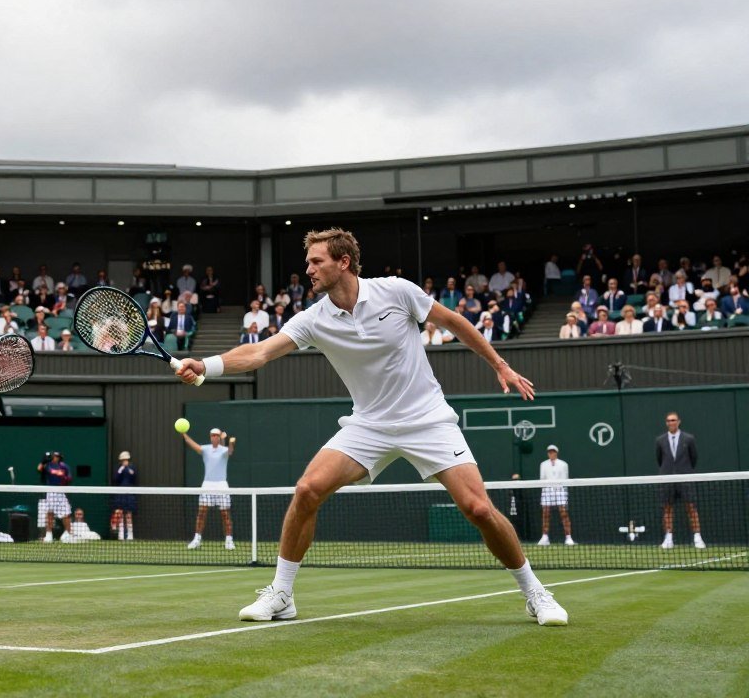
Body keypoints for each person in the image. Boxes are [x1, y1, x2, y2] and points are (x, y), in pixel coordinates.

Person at [174, 227, 567, 626]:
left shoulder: (396, 291)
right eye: (307, 262)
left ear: (342, 262)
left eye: (316, 261)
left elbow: (454, 322)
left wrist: (499, 365)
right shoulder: (314, 319)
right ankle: (281, 594)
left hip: (427, 419)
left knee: (479, 508)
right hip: (368, 425)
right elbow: (259, 352)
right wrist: (207, 365)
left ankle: (535, 592)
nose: (307, 270)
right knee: (308, 490)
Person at [657, 412, 705, 550]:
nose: (671, 422)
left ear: (679, 422)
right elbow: (660, 460)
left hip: (685, 478)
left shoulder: (688, 439)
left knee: (691, 508)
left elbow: (693, 458)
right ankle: (668, 539)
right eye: (668, 420)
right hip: (667, 479)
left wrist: (685, 473)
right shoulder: (660, 440)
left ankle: (697, 538)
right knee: (667, 509)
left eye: (673, 420)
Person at [184, 428, 235, 550]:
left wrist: (231, 443)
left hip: (222, 485)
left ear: (219, 437)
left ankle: (229, 541)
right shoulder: (205, 449)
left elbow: (230, 451)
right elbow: (194, 446)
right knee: (201, 513)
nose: (215, 437)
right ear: (210, 437)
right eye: (213, 435)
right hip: (207, 485)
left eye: (217, 435)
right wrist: (184, 435)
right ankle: (197, 540)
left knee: (225, 514)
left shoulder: (224, 450)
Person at [537, 444, 573, 546]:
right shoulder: (543, 464)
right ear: (548, 454)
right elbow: (542, 479)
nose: (551, 454)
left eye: (553, 452)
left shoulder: (563, 464)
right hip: (547, 491)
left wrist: (562, 491)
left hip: (560, 491)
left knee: (564, 514)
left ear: (556, 453)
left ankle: (568, 537)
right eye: (549, 452)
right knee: (545, 514)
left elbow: (565, 479)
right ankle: (545, 537)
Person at [37, 450, 73, 542]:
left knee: (66, 513)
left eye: (57, 456)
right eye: (54, 456)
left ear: (59, 458)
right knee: (50, 513)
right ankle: (48, 535)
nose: (55, 458)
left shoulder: (64, 466)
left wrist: (64, 477)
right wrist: (43, 461)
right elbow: (39, 468)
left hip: (61, 491)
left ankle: (68, 533)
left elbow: (69, 477)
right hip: (50, 492)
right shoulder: (47, 465)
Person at [111, 450, 137, 541]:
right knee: (120, 513)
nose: (124, 461)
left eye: (126, 459)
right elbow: (115, 478)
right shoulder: (118, 468)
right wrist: (121, 469)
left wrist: (128, 469)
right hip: (120, 492)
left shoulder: (132, 467)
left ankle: (130, 536)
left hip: (129, 492)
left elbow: (134, 477)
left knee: (129, 514)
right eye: (123, 460)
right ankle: (121, 535)